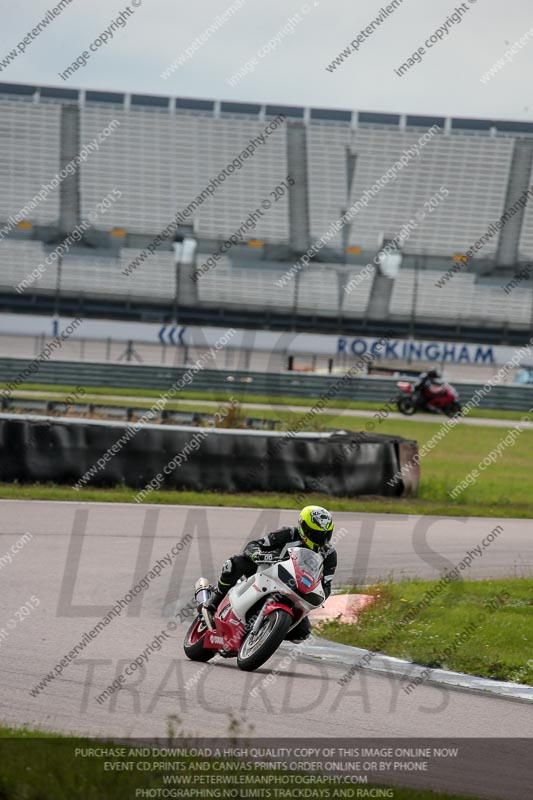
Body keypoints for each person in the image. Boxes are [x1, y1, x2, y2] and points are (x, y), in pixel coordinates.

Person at [202, 505, 337, 642]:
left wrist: (320, 595)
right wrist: (257, 554)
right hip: (267, 572)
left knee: (302, 634)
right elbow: (254, 544)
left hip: (296, 590)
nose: (321, 539)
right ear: (303, 527)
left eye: (325, 535)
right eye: (316, 534)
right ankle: (216, 598)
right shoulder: (289, 534)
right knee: (234, 563)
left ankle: (265, 634)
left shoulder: (329, 554)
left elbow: (326, 584)